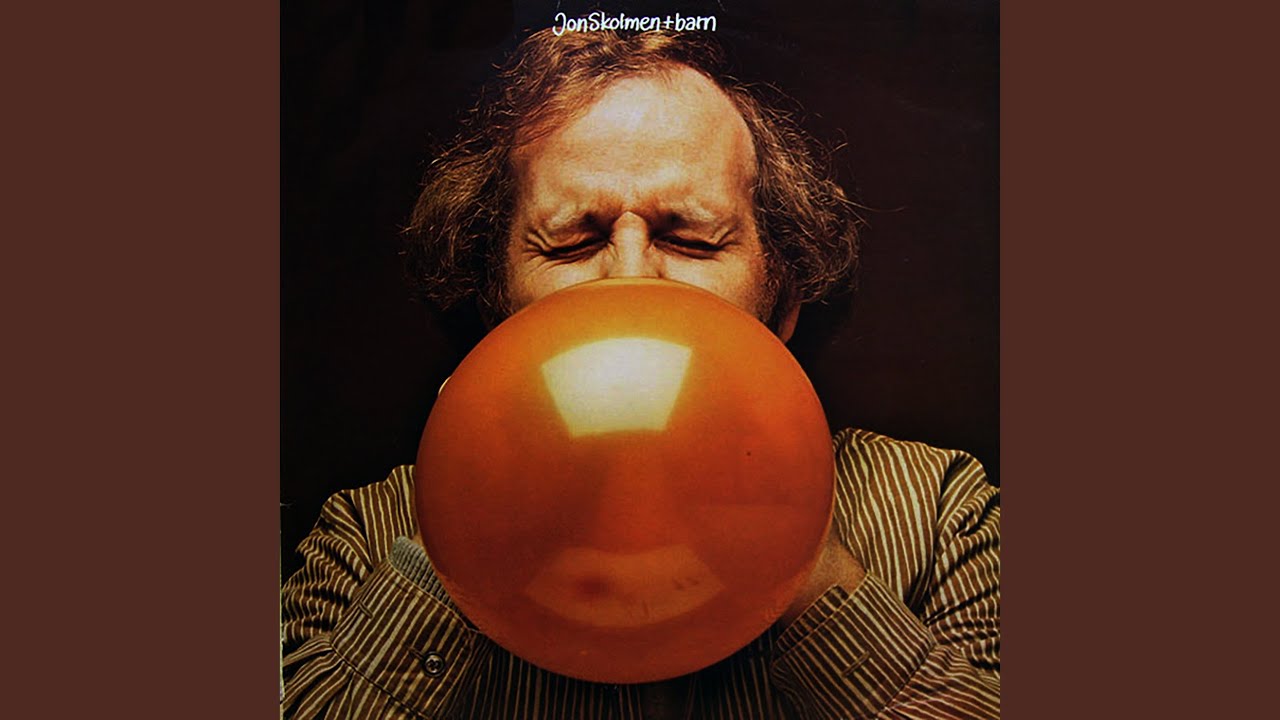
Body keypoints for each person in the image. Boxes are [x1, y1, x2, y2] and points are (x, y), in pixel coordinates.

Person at [282, 28, 999, 719]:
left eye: (690, 239)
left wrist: (801, 556)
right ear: (496, 304)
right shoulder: (367, 532)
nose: (629, 279)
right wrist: (461, 528)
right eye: (572, 242)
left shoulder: (939, 510)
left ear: (783, 303)